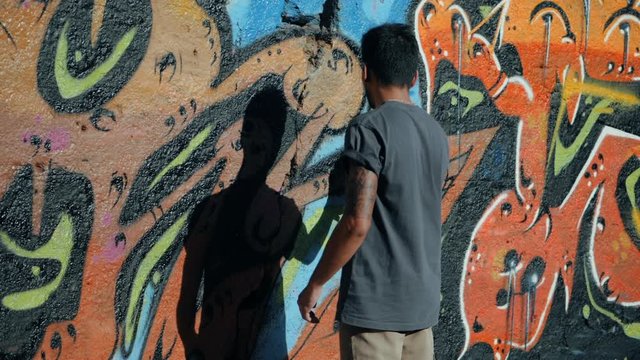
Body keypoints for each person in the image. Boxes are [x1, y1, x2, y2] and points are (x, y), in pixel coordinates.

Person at [297, 23, 449, 360]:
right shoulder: (436, 133)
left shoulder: (369, 128)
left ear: (365, 72)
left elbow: (356, 224)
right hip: (420, 308)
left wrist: (316, 284)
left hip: (375, 311)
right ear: (413, 78)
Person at [177, 88, 302, 360]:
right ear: (242, 136)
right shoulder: (209, 212)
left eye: (265, 132)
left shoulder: (285, 213)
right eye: (250, 128)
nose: (256, 138)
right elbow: (187, 296)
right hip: (215, 349)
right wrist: (192, 345)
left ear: (277, 142)